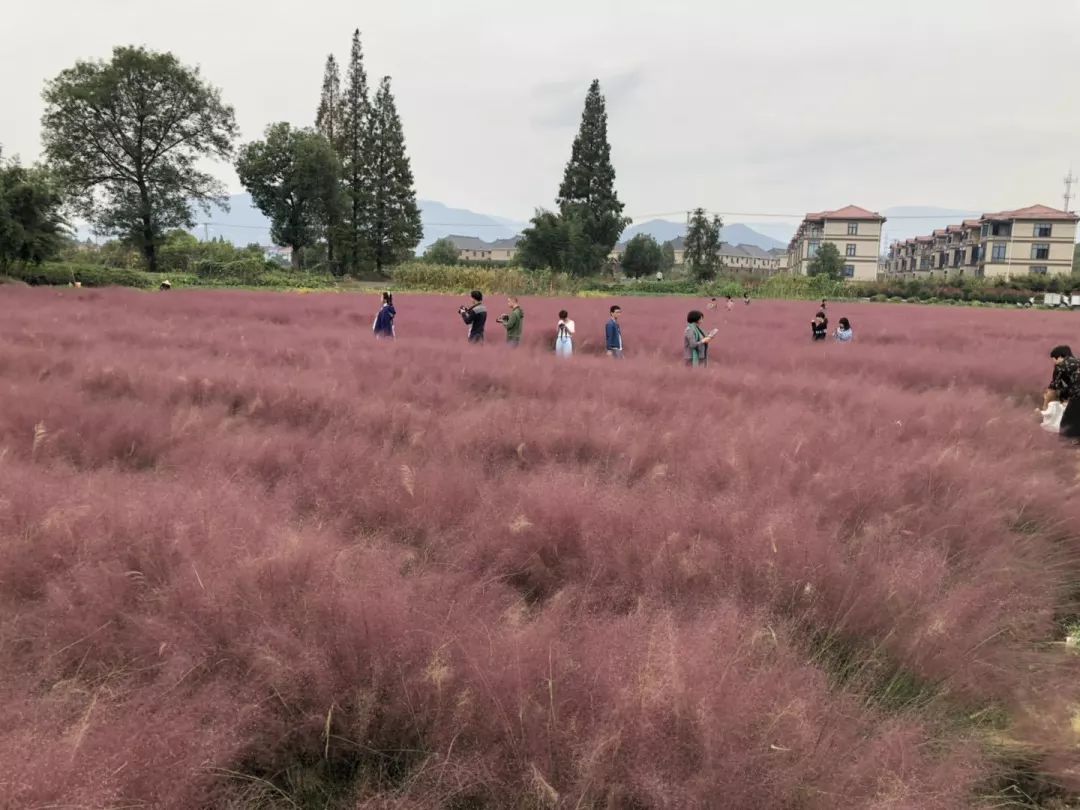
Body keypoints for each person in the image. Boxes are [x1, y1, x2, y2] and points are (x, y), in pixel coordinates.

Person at [1047, 345, 1080, 439]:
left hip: (1077, 396)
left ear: (1060, 357)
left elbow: (1054, 386)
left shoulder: (1061, 366)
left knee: (1068, 423)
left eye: (1054, 359)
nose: (1054, 362)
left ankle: (1068, 443)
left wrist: (1047, 405)